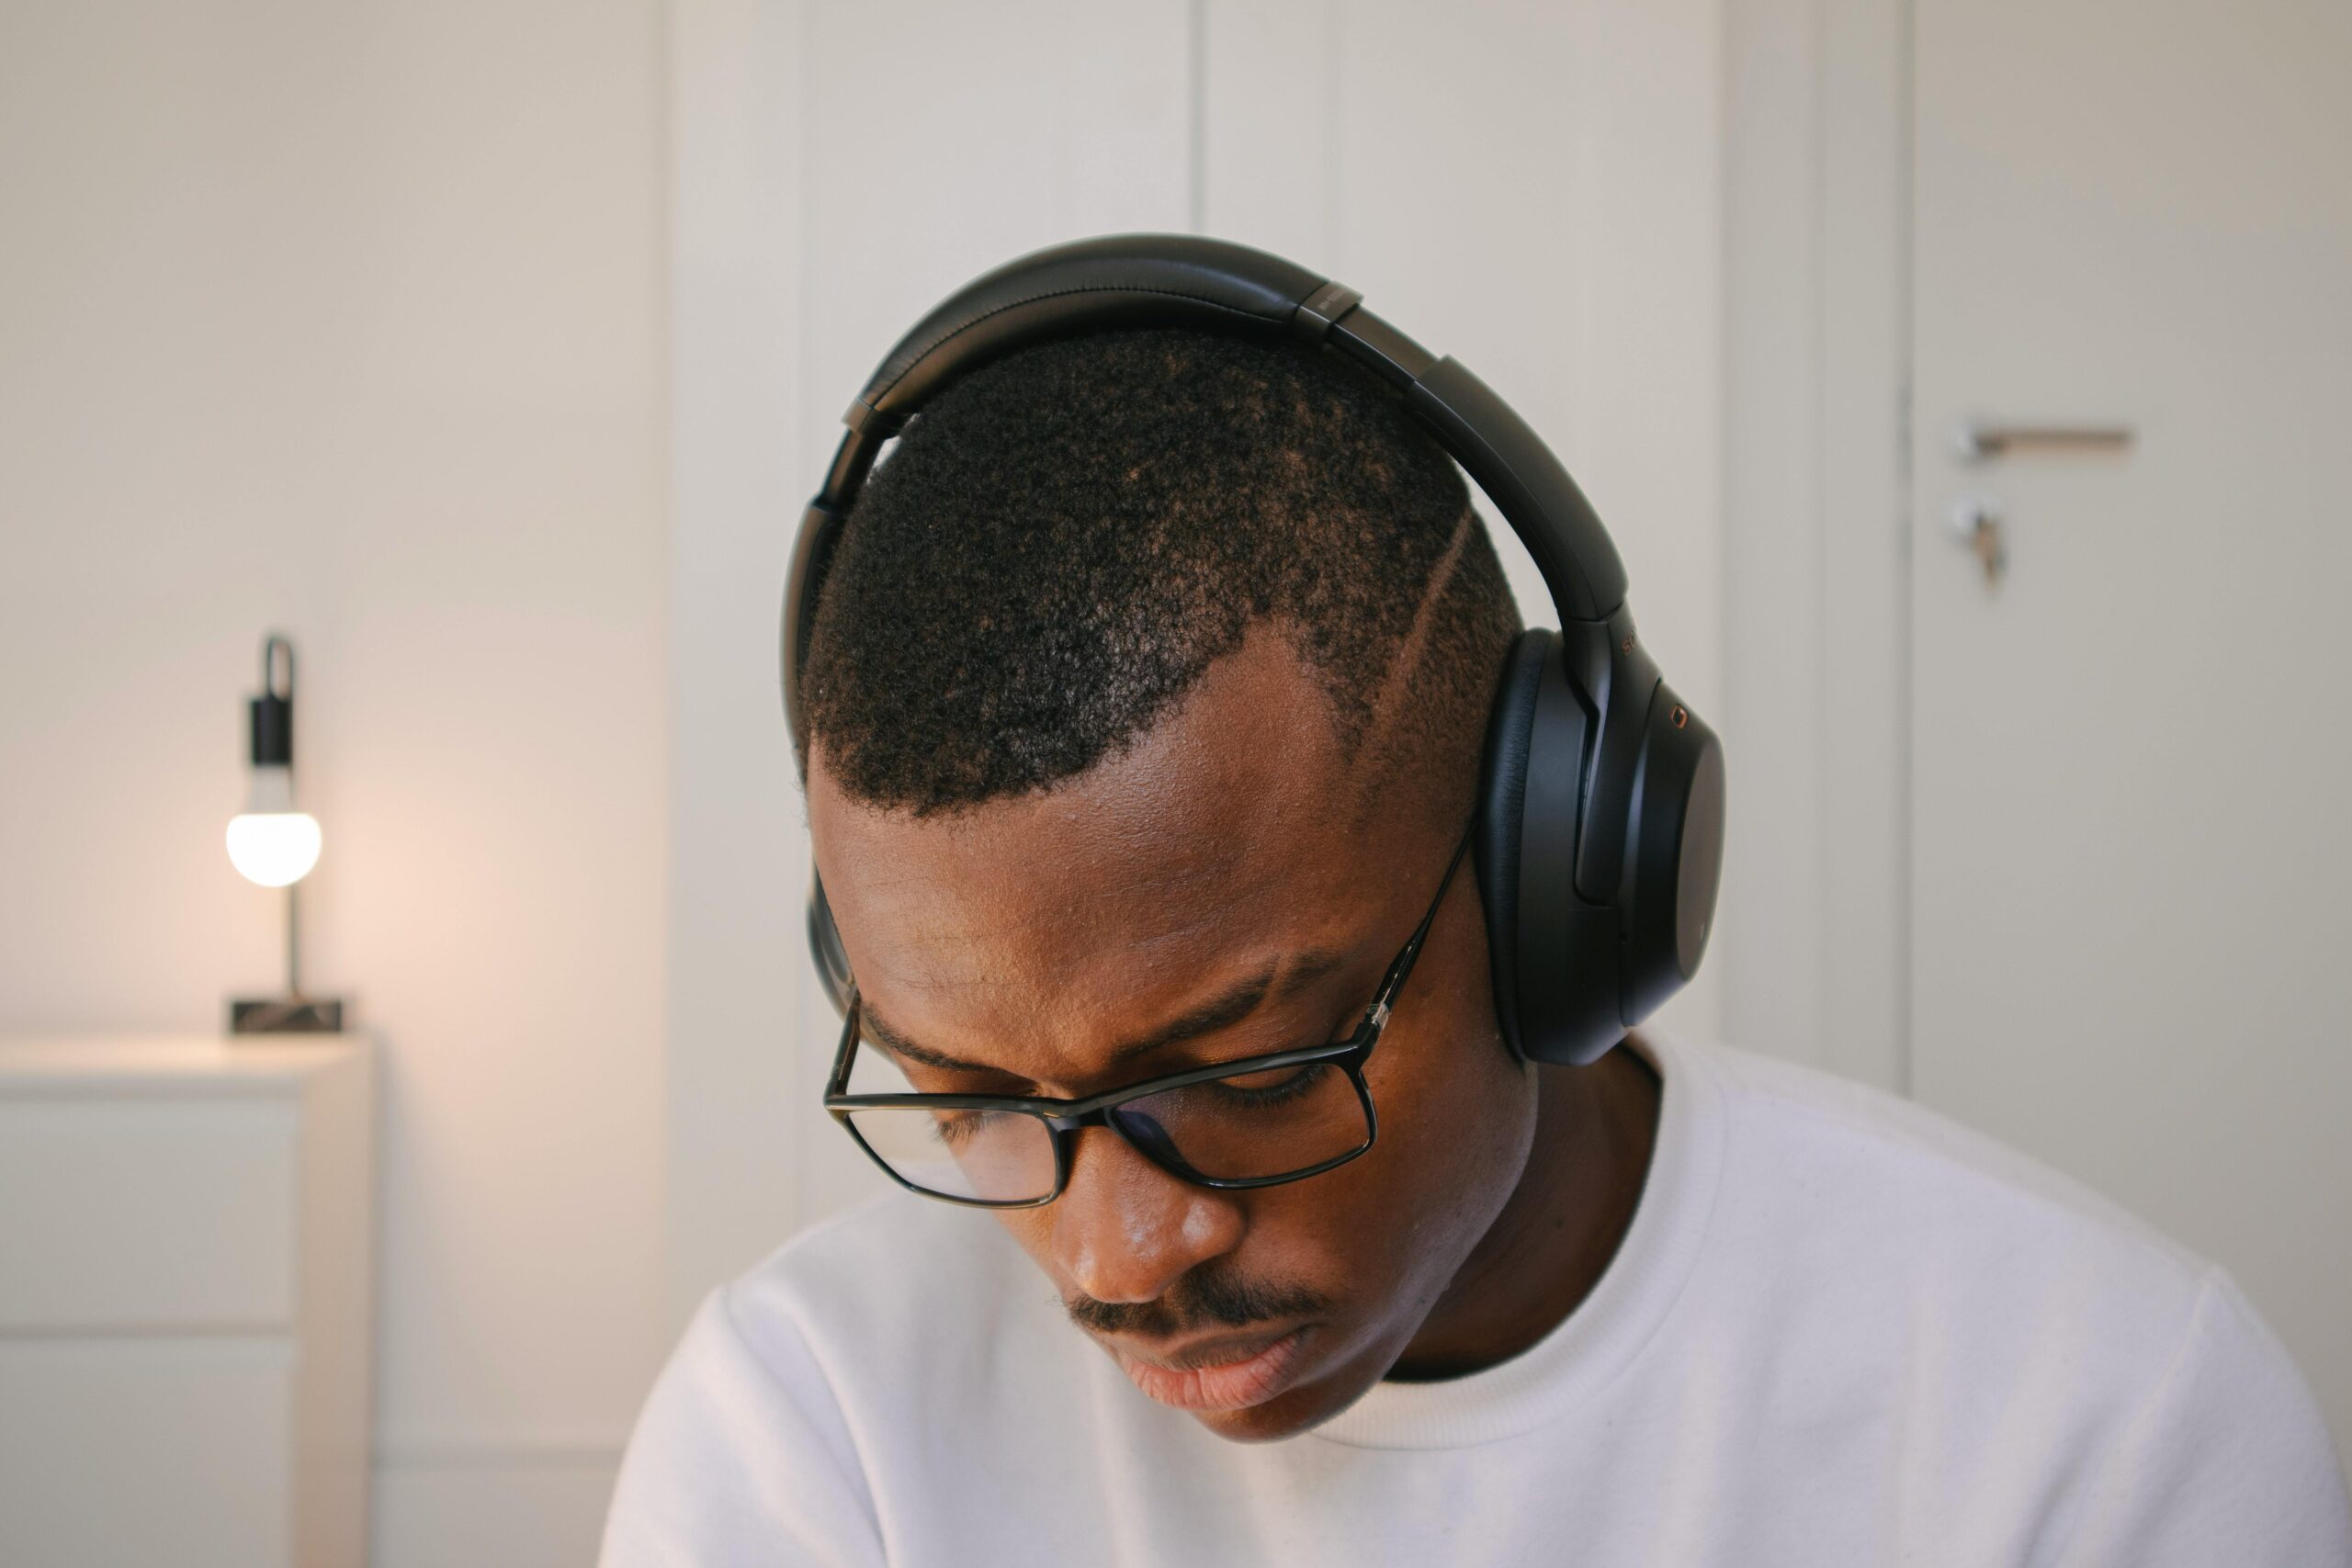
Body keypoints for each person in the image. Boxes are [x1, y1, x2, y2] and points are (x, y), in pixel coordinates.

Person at [602, 321, 2350, 1565]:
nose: (1119, 1253)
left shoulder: (2103, 1422)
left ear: (1559, 881)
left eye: (1247, 1067)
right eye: (970, 1095)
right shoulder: (810, 1425)